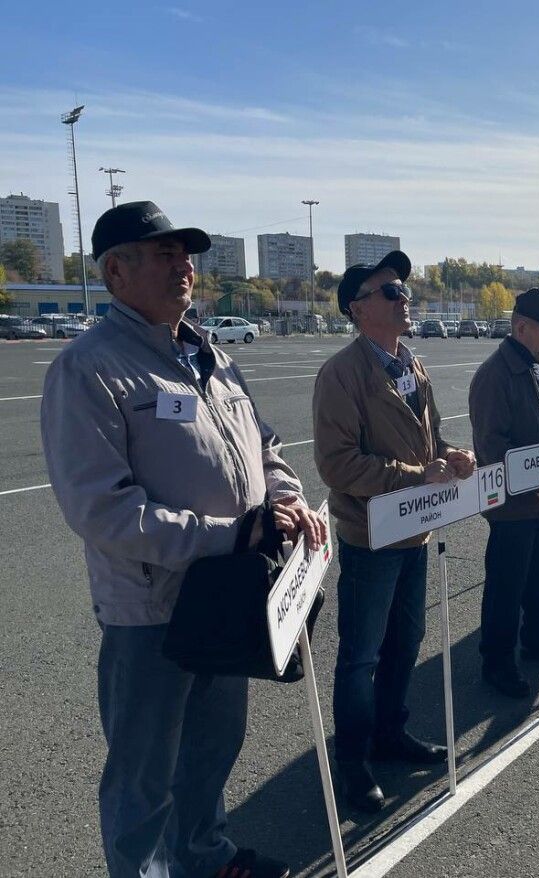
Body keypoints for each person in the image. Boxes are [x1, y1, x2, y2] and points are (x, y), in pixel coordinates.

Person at [41, 201, 325, 878]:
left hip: (229, 598)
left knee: (212, 750)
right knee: (142, 777)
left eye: (186, 254)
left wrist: (283, 497)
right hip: (152, 612)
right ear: (116, 273)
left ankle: (205, 858)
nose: (184, 267)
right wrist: (232, 535)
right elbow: (102, 510)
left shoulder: (214, 358)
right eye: (164, 254)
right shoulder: (90, 369)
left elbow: (265, 446)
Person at [313, 252, 475, 813]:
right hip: (372, 535)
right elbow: (337, 465)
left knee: (405, 642)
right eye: (391, 291)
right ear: (359, 309)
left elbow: (429, 440)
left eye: (404, 289)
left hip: (416, 530)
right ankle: (352, 762)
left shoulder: (410, 362)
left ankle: (389, 733)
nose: (405, 298)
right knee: (360, 655)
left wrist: (451, 457)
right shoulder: (342, 373)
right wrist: (416, 476)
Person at [468, 288, 539, 698]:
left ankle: (538, 639)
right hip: (513, 509)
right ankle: (497, 663)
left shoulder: (536, 368)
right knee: (506, 588)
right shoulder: (494, 376)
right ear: (521, 327)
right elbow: (491, 448)